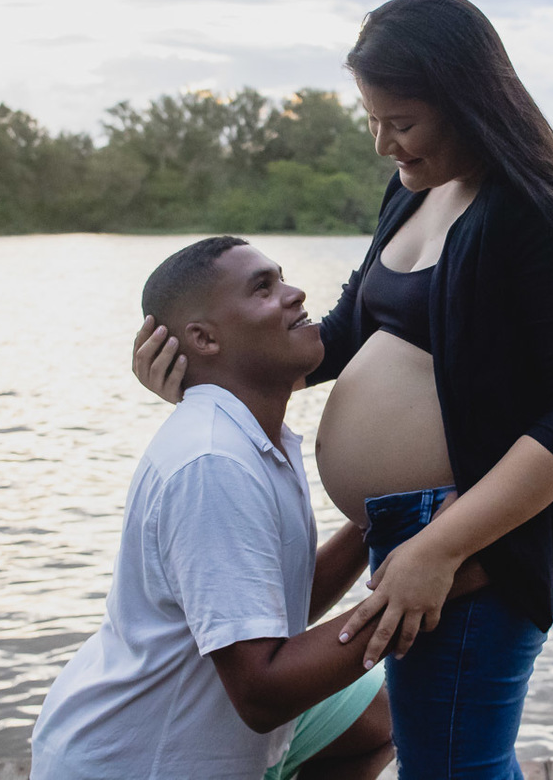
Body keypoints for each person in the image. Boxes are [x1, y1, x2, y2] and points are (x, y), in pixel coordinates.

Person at [133, 0, 553, 778]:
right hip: (408, 536)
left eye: (399, 123)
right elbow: (342, 336)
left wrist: (438, 547)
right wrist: (207, 374)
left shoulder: (536, 215)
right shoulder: (412, 191)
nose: (382, 144)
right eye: (373, 120)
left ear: (467, 99)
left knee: (454, 767)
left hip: (469, 542)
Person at [32, 236, 397, 780]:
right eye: (263, 288)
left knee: (375, 723)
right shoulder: (213, 462)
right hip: (134, 762)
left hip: (201, 732)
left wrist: (391, 523)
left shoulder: (252, 436)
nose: (296, 295)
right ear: (203, 337)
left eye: (283, 277)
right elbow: (262, 692)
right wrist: (411, 594)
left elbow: (274, 604)